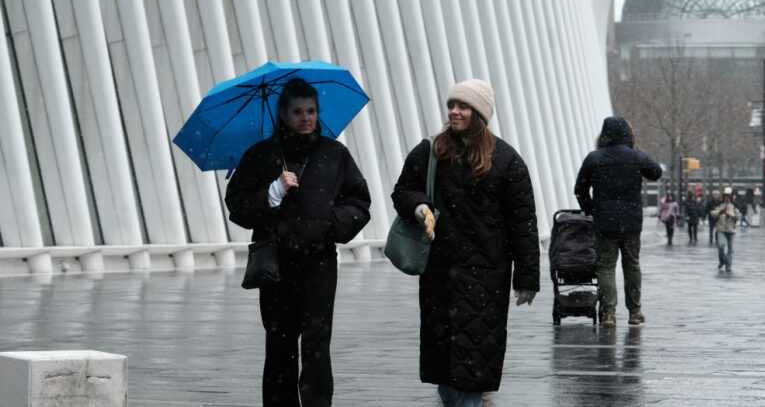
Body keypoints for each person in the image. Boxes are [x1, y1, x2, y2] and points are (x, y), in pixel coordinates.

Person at [392, 79, 539, 406]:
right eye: (452, 105)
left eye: (463, 106)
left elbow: (523, 222)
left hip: (486, 276)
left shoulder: (506, 160)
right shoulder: (430, 151)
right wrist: (418, 205)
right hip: (440, 273)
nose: (454, 111)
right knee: (444, 367)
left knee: (474, 364)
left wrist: (527, 277)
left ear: (480, 113)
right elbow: (401, 190)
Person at [225, 78, 371, 407]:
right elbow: (237, 206)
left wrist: (328, 225)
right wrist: (273, 191)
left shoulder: (335, 154)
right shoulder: (261, 156)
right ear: (282, 114)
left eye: (311, 111)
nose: (306, 118)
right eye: (298, 112)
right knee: (279, 344)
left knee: (317, 344)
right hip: (276, 263)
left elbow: (360, 203)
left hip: (319, 262)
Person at [575, 116, 662, 327]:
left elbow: (579, 189)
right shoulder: (637, 157)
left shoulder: (594, 158)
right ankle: (635, 311)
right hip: (631, 221)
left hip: (605, 220)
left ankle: (609, 313)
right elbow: (656, 173)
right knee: (631, 265)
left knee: (605, 266)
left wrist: (591, 209)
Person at [710, 187, 740, 272]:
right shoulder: (720, 204)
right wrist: (720, 212)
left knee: (730, 248)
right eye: (725, 195)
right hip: (721, 228)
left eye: (728, 195)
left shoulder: (734, 206)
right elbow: (713, 213)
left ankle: (728, 265)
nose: (727, 197)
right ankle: (722, 261)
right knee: (721, 246)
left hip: (731, 230)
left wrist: (729, 214)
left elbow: (738, 217)